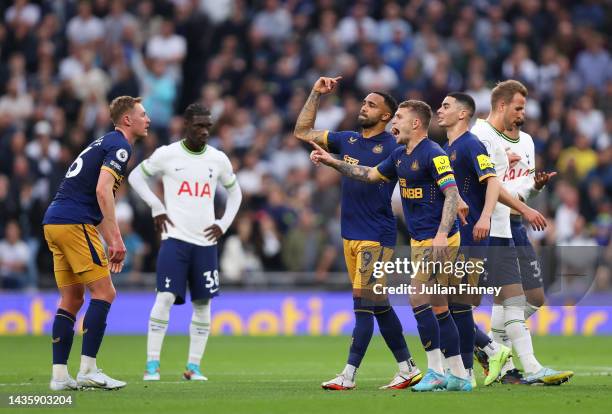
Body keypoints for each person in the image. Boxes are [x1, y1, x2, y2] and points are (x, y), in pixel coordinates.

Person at [311, 99, 471, 392]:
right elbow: (369, 175)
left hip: (441, 238)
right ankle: (459, 374)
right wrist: (332, 162)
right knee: (438, 306)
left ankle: (436, 370)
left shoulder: (434, 154)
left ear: (415, 123)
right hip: (420, 238)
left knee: (417, 297)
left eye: (398, 117)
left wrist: (440, 235)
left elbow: (451, 195)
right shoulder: (399, 155)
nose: (393, 122)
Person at [295, 76, 421, 390]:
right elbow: (302, 131)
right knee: (379, 305)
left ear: (386, 116)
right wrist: (316, 93)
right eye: (364, 102)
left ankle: (348, 375)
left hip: (376, 235)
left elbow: (368, 177)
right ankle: (408, 367)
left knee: (363, 305)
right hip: (350, 233)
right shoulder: (348, 140)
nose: (363, 107)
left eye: (371, 104)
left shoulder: (394, 148)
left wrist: (331, 163)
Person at [128, 103, 242, 381]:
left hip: (206, 243)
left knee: (203, 305)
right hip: (175, 240)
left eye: (208, 127)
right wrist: (157, 206)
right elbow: (135, 177)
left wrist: (223, 224)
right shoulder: (167, 155)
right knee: (164, 297)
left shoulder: (218, 159)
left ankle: (193, 367)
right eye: (199, 126)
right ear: (185, 125)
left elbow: (236, 193)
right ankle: (152, 365)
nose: (204, 131)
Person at [470, 79, 573, 386]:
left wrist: (535, 187)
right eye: (518, 108)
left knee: (535, 298)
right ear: (501, 106)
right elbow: (489, 183)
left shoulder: (526, 141)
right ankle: (528, 367)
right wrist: (525, 207)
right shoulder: (480, 136)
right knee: (509, 299)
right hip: (490, 226)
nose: (522, 114)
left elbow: (521, 188)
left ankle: (491, 347)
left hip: (514, 225)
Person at [43, 96, 149, 390]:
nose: (148, 119)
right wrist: (116, 239)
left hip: (54, 222)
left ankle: (60, 377)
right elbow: (104, 192)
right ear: (127, 120)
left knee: (72, 300)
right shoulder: (121, 146)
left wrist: (109, 236)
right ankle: (89, 369)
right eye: (143, 114)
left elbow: (96, 200)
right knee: (105, 292)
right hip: (74, 222)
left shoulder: (103, 143)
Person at [436, 92, 504, 387]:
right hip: (451, 235)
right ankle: (490, 350)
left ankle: (466, 371)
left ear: (463, 114)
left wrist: (485, 217)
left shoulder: (471, 144)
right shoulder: (443, 148)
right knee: (447, 304)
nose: (440, 111)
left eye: (446, 106)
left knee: (458, 304)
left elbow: (492, 181)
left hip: (471, 234)